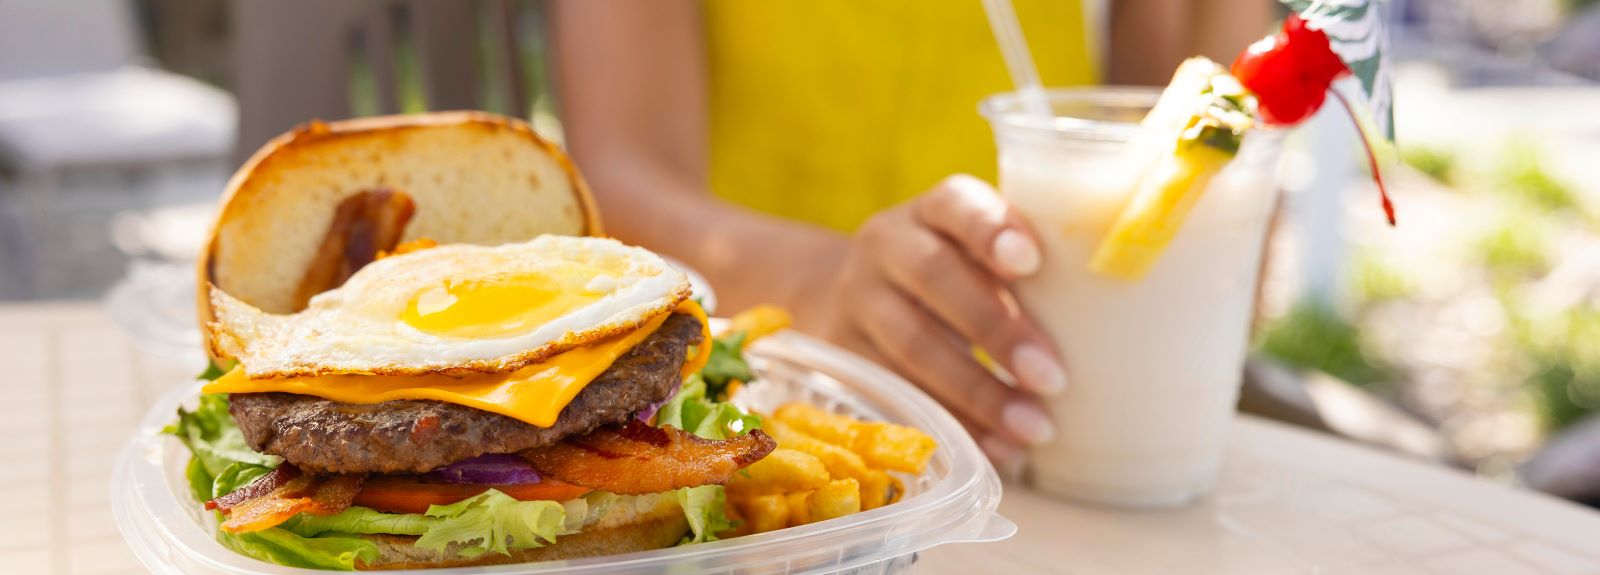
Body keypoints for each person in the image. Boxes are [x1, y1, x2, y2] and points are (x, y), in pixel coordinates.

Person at [550, 0, 1270, 472]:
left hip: (1069, 407)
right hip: (768, 413)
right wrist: (820, 284)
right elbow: (616, 176)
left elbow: (1177, 138)